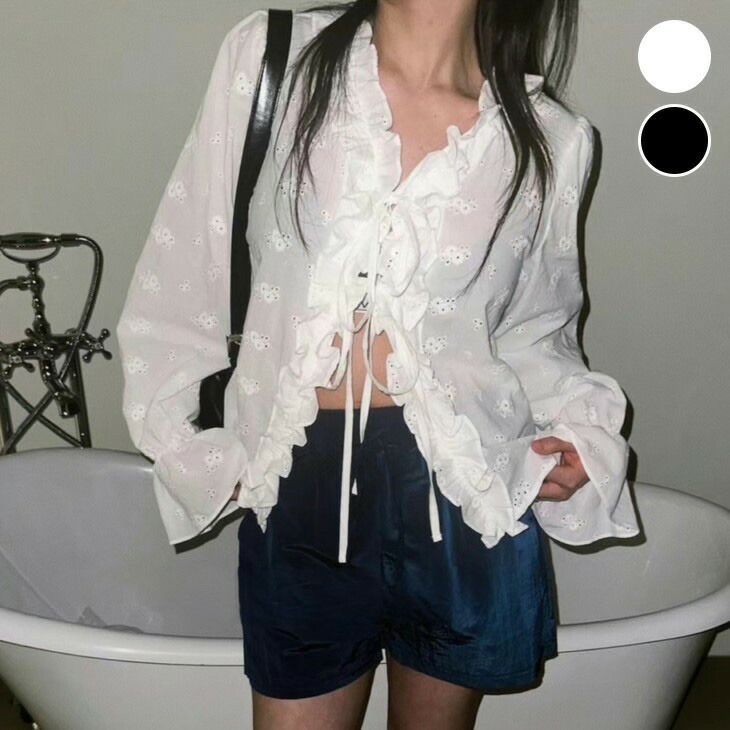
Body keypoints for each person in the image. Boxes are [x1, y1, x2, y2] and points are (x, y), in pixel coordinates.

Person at [116, 1, 640, 728]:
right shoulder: (273, 59)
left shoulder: (551, 136)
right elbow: (181, 272)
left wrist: (579, 432)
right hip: (300, 484)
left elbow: (534, 331)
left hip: (462, 494)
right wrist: (184, 442)